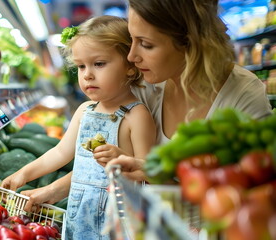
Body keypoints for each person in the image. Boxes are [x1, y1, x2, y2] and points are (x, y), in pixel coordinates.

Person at [14, 0, 273, 211]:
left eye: (146, 44)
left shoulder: (242, 95)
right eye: (132, 39)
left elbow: (252, 199)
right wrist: (49, 191)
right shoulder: (144, 84)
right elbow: (102, 168)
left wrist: (155, 175)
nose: (131, 56)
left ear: (190, 42)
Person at [1, 15, 156, 239]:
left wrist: (122, 159)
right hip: (78, 212)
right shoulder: (85, 110)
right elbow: (60, 153)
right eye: (81, 66)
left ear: (130, 67)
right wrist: (23, 174)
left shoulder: (136, 115)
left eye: (99, 64)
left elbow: (149, 175)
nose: (87, 74)